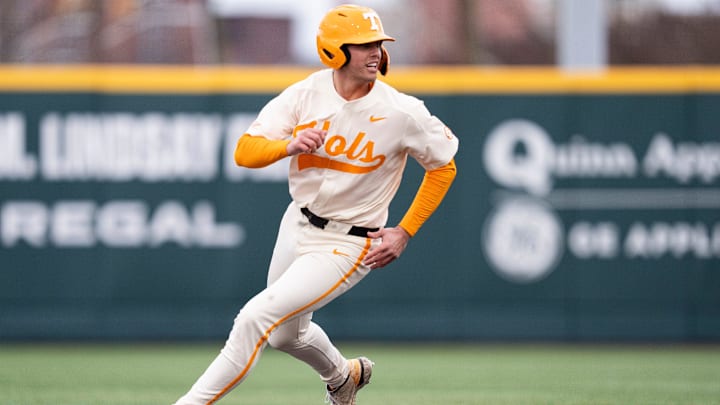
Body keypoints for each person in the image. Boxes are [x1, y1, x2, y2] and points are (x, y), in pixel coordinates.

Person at [173, 4, 458, 405]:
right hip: (298, 223)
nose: (374, 52)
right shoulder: (306, 93)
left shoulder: (401, 111)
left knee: (255, 317)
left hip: (349, 242)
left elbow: (443, 167)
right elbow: (245, 151)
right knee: (285, 335)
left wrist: (405, 230)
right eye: (362, 45)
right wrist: (286, 145)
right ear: (334, 50)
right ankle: (343, 378)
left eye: (377, 43)